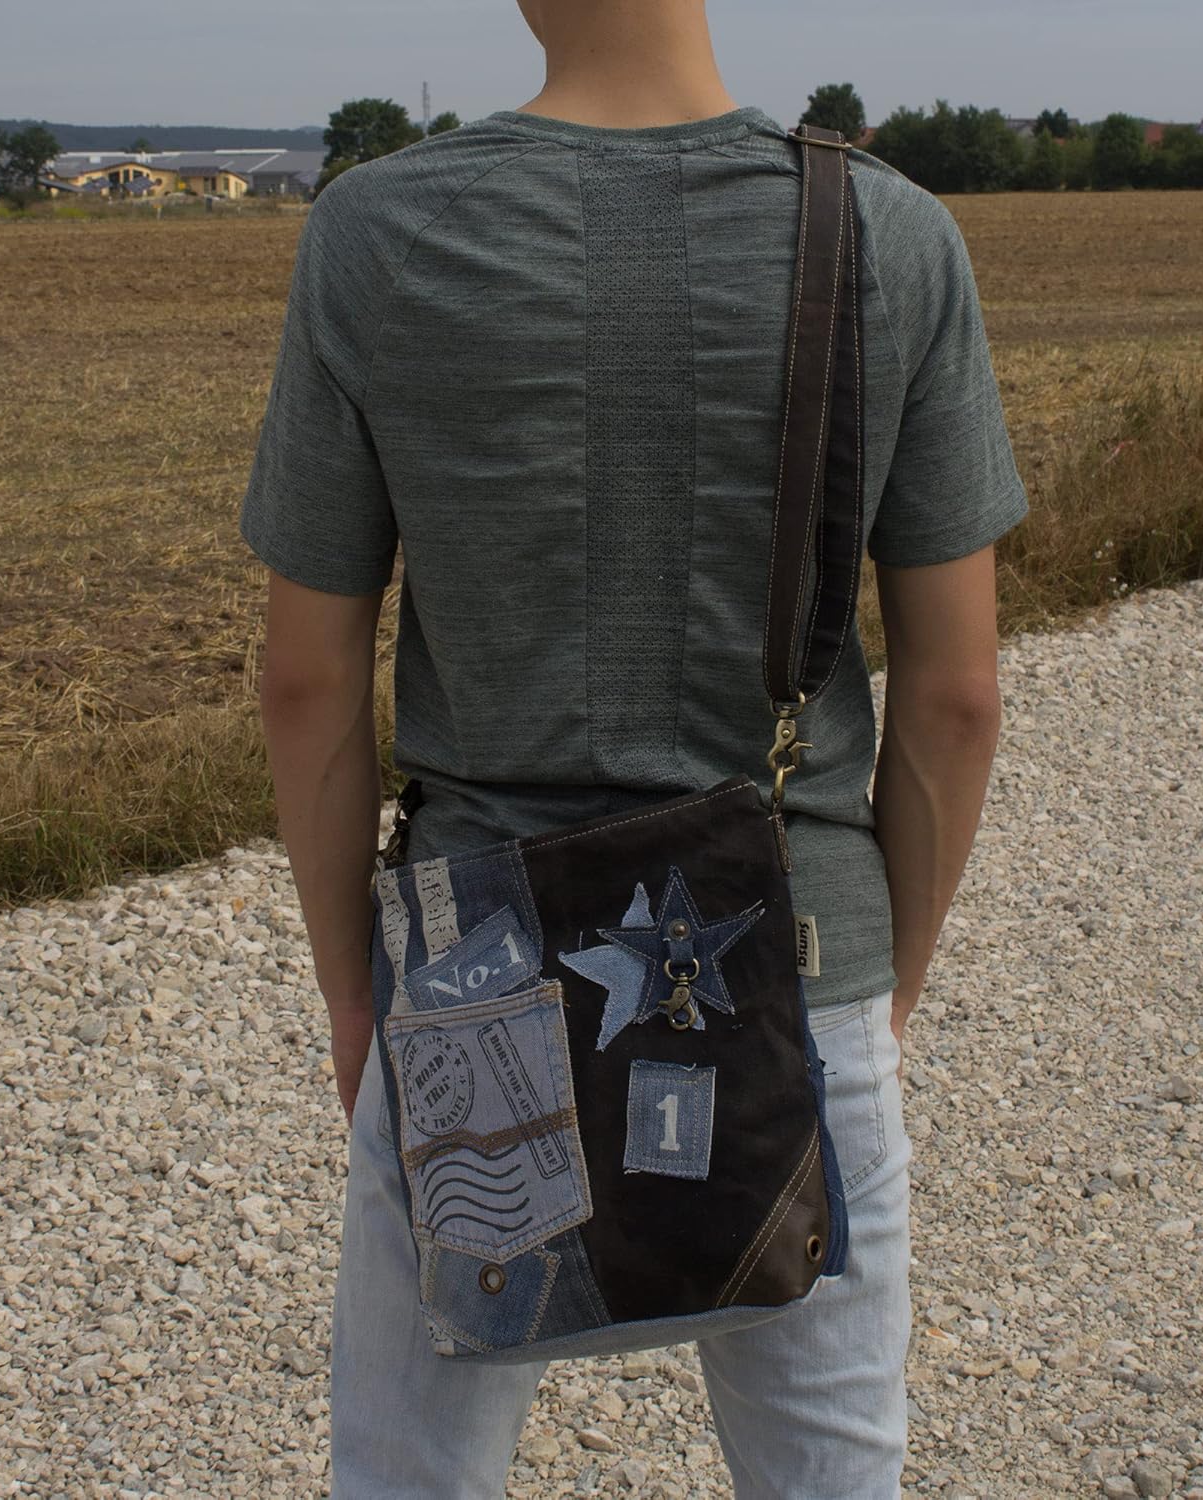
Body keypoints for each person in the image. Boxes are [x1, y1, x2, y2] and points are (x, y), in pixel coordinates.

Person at [239, 2, 1028, 1493]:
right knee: (830, 1470)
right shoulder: (894, 234)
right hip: (798, 960)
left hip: (470, 975)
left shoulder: (376, 232)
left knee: (413, 1470)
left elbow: (305, 681)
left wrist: (355, 995)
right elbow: (957, 695)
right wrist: (884, 986)